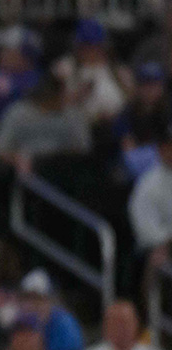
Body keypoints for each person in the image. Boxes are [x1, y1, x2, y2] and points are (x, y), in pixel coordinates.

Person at [0, 73, 90, 175]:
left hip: (64, 168)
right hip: (25, 166)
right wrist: (17, 159)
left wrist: (59, 158)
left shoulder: (72, 114)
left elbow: (83, 147)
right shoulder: (18, 113)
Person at [51, 19, 127, 127]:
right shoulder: (64, 67)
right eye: (86, 46)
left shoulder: (117, 70)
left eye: (94, 46)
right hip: (78, 128)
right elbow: (51, 105)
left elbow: (130, 99)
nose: (90, 50)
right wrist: (78, 95)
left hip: (114, 125)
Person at [8, 269, 85, 350]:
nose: (32, 304)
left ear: (48, 299)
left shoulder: (64, 321)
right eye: (28, 298)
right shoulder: (21, 320)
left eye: (38, 298)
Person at [111, 61, 169, 183]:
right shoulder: (127, 112)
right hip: (136, 163)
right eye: (146, 84)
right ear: (138, 86)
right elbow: (128, 148)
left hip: (164, 159)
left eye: (154, 84)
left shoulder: (168, 111)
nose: (150, 89)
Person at [129, 130, 172, 278]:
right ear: (161, 149)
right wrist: (168, 240)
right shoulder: (148, 183)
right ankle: (152, 301)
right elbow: (145, 230)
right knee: (159, 256)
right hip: (158, 248)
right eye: (169, 146)